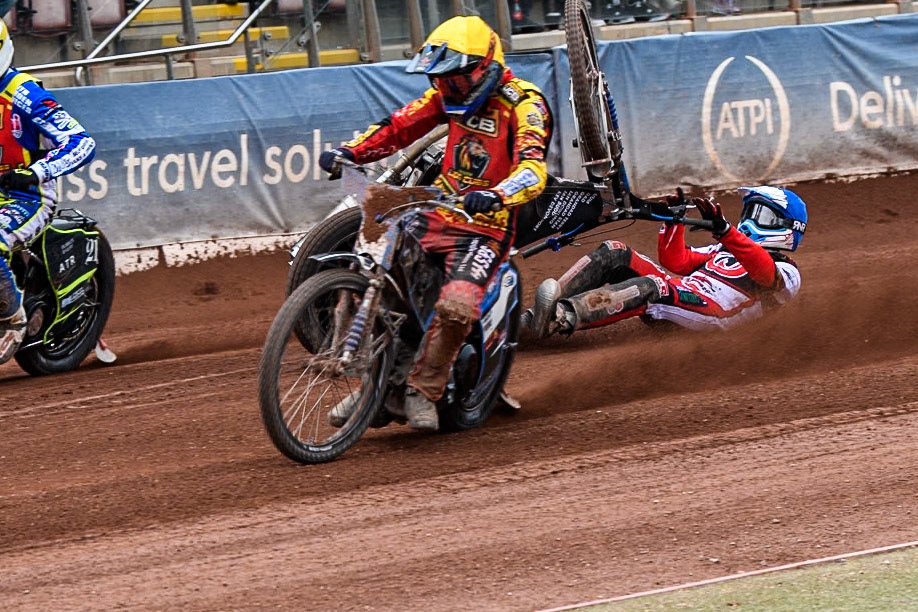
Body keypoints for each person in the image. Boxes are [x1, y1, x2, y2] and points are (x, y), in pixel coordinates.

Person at [318, 15, 552, 431]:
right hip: (435, 212)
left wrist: (496, 194)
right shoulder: (447, 96)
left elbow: (534, 171)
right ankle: (375, 385)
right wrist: (350, 151)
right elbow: (399, 125)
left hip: (486, 226)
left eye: (456, 80)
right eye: (441, 80)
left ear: (485, 68)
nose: (448, 89)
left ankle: (422, 390)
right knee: (376, 270)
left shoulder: (525, 103)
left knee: (457, 304)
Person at [526, 186, 807, 338]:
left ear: (787, 227)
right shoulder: (725, 249)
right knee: (616, 251)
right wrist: (674, 221)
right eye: (749, 212)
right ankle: (536, 315)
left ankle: (561, 316)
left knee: (655, 287)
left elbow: (764, 272)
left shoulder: (788, 271)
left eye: (762, 216)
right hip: (684, 293)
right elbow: (678, 261)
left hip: (711, 317)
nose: (749, 221)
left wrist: (727, 233)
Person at [0, 20, 97, 362]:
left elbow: (82, 143)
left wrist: (35, 172)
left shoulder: (24, 93)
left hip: (25, 196)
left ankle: (11, 318)